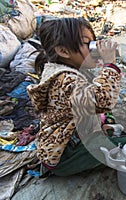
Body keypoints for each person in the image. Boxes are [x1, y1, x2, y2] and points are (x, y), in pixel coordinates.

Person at [27, 17, 121, 176]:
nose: (95, 49)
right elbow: (102, 100)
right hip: (63, 155)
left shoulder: (64, 71)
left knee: (116, 130)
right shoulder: (66, 80)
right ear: (63, 51)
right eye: (88, 44)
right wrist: (109, 65)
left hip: (71, 139)